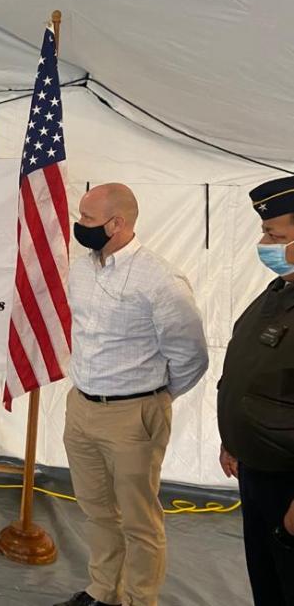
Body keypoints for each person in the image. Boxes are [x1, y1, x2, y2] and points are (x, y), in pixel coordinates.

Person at [55, 183, 208, 606]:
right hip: (81, 406)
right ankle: (104, 591)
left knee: (140, 521)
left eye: (87, 218)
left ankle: (140, 600)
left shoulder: (160, 280)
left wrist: (153, 400)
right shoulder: (82, 267)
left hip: (133, 414)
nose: (78, 225)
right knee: (97, 510)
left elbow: (191, 356)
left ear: (116, 223)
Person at [217, 175, 294, 605]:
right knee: (268, 586)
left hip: (287, 483)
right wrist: (234, 442)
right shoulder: (279, 291)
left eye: (273, 234)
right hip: (257, 472)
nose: (263, 242)